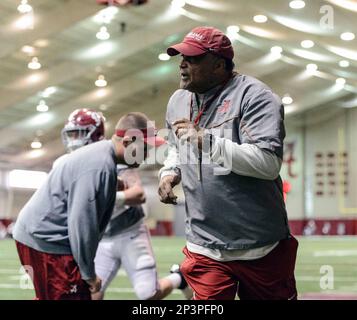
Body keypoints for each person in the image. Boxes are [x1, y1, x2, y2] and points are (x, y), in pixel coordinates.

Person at [158, 26, 298, 300]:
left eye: (194, 58)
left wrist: (208, 142)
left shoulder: (256, 97)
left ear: (219, 65)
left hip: (260, 245)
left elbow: (268, 163)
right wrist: (170, 172)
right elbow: (177, 148)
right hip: (204, 244)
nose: (183, 64)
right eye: (181, 57)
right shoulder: (178, 100)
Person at [13, 111, 163, 300]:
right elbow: (82, 224)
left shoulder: (103, 157)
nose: (147, 154)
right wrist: (89, 274)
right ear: (127, 142)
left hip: (42, 237)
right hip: (47, 241)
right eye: (145, 148)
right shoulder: (100, 165)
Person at [59, 109, 190, 300]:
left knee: (148, 295)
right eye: (71, 134)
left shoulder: (114, 157)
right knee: (92, 295)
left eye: (78, 133)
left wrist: (104, 196)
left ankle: (179, 278)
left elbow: (138, 194)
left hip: (129, 233)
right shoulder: (71, 162)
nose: (74, 139)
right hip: (104, 238)